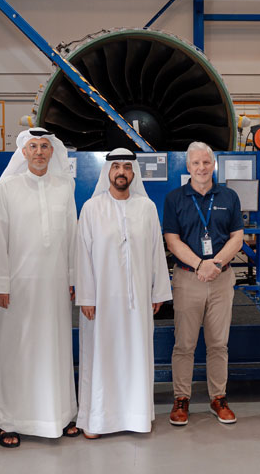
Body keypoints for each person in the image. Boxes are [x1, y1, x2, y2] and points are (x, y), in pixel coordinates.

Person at [0, 128, 80, 447]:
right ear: (24, 152)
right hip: (18, 286)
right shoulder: (8, 187)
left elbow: (72, 235)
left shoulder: (64, 186)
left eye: (44, 146)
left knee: (55, 347)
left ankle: (61, 415)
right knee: (17, 350)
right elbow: (0, 238)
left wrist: (73, 278)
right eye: (33, 146)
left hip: (55, 284)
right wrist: (0, 283)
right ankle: (11, 421)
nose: (40, 152)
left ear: (52, 152)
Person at [75, 148, 172, 439]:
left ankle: (136, 416)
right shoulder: (91, 209)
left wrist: (158, 292)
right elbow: (82, 255)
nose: (121, 172)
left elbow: (156, 252)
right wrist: (87, 296)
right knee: (102, 356)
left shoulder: (147, 208)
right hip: (102, 301)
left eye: (127, 167)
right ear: (108, 172)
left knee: (136, 355)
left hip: (137, 300)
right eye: (116, 166)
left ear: (133, 173)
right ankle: (98, 420)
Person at [163, 141, 244, 425]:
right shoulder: (174, 198)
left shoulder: (229, 196)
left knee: (218, 343)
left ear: (214, 165)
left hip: (221, 279)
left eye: (206, 162)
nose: (201, 168)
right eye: (196, 163)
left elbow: (237, 237)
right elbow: (172, 240)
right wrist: (200, 265)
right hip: (188, 278)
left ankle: (218, 398)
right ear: (188, 167)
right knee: (184, 344)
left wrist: (216, 264)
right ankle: (181, 399)